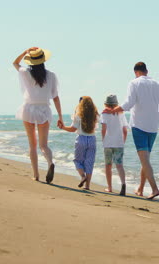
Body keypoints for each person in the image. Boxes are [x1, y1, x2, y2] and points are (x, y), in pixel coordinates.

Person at [103, 62, 159, 199]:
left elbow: (129, 103)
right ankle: (140, 189)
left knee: (144, 160)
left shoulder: (134, 83)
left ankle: (154, 189)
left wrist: (113, 110)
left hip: (139, 125)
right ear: (146, 71)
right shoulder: (157, 84)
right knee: (146, 160)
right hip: (153, 126)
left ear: (135, 72)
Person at [12, 47, 63, 183]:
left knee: (32, 144)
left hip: (29, 109)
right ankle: (50, 162)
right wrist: (60, 117)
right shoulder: (51, 75)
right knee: (43, 145)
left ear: (31, 61)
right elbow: (56, 98)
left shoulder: (25, 73)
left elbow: (15, 63)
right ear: (43, 60)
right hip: (44, 110)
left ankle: (36, 175)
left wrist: (24, 52)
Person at [61, 96, 99, 190]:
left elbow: (73, 129)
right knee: (89, 163)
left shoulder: (78, 115)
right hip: (92, 139)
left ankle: (82, 176)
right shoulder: (95, 115)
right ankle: (87, 186)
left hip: (81, 139)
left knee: (77, 161)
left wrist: (63, 127)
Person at [101, 95, 128, 196]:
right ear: (116, 104)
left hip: (108, 143)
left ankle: (110, 187)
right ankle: (123, 184)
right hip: (119, 143)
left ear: (106, 104)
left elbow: (103, 129)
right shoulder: (121, 114)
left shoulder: (104, 114)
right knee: (119, 165)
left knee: (108, 165)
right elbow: (125, 131)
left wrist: (103, 140)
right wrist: (122, 142)